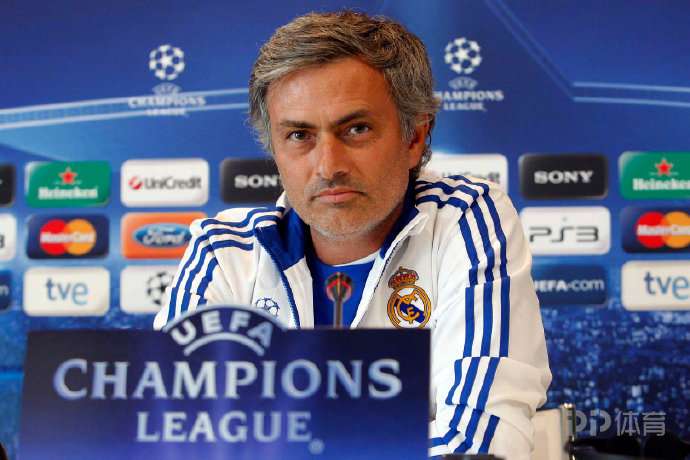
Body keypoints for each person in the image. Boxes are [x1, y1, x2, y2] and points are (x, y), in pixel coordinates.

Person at [154, 10, 551, 459]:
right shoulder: (225, 251)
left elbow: (480, 443)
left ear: (414, 138)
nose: (328, 166)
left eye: (356, 129)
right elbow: (170, 440)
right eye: (299, 135)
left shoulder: (464, 217)